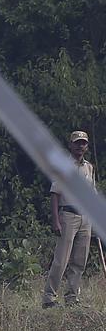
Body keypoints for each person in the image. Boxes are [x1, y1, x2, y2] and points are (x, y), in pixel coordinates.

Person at [42, 130, 96, 307]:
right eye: (77, 142)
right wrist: (56, 220)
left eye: (83, 143)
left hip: (85, 217)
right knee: (61, 259)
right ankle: (49, 297)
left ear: (86, 146)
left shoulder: (89, 167)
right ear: (70, 145)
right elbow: (55, 194)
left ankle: (72, 297)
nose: (80, 146)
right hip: (68, 215)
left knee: (79, 260)